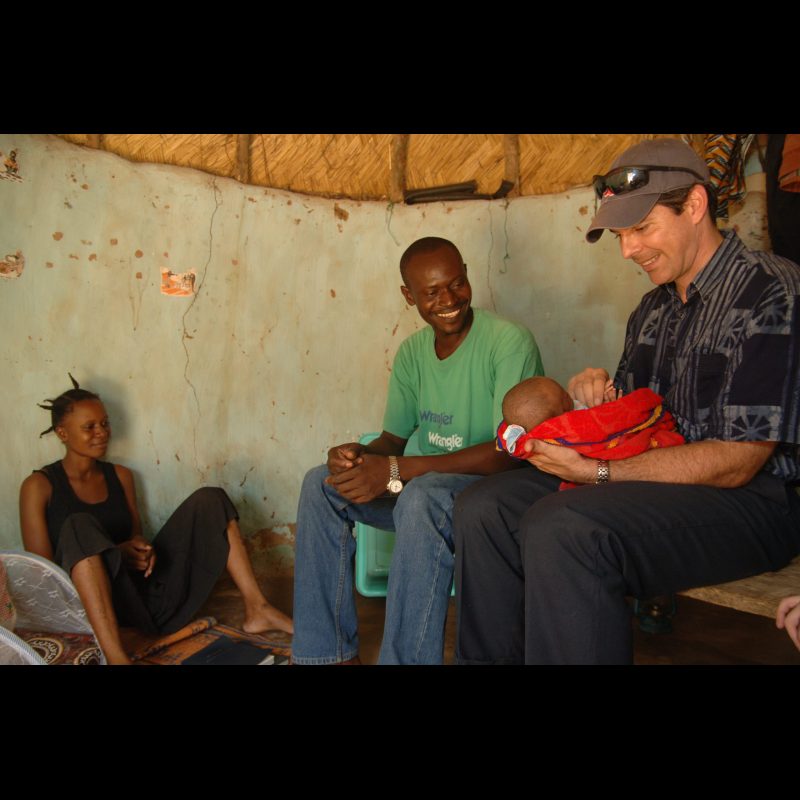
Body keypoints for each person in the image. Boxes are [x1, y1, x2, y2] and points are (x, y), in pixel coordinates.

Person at [454, 138, 800, 664]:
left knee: (566, 526)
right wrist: (595, 401)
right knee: (484, 508)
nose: (628, 250)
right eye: (620, 235)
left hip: (758, 502)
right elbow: (628, 425)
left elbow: (738, 462)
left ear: (696, 206)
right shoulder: (651, 312)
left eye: (641, 229)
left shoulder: (771, 292)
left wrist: (596, 474)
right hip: (660, 487)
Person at [291, 236, 543, 664]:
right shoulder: (411, 354)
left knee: (424, 497)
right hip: (418, 485)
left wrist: (394, 468)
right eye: (431, 292)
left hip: (491, 493)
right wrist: (359, 456)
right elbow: (393, 440)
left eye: (456, 283)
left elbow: (508, 452)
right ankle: (325, 654)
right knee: (322, 484)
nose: (448, 299)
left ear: (466, 276)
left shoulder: (508, 341)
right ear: (409, 296)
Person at [19, 376, 293, 665]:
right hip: (86, 611)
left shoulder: (120, 476)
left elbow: (135, 537)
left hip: (140, 602)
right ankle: (116, 657)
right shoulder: (39, 486)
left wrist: (138, 551)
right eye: (89, 427)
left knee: (210, 500)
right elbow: (45, 576)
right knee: (78, 525)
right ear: (62, 433)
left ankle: (257, 608)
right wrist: (112, 554)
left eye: (105, 423)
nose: (101, 432)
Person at [497, 376, 684, 489]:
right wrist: (614, 405)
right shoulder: (573, 426)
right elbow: (606, 423)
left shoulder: (524, 436)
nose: (569, 396)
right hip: (597, 470)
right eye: (565, 396)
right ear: (562, 413)